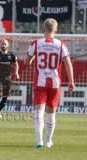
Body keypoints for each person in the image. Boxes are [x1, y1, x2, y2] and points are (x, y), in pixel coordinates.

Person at [25, 18, 75, 148]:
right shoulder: (60, 44)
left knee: (39, 112)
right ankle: (48, 141)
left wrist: (35, 56)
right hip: (55, 83)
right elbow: (68, 63)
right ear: (56, 30)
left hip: (40, 82)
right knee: (51, 113)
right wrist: (71, 81)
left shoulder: (36, 43)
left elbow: (26, 61)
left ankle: (39, 140)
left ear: (43, 29)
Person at [0, 39, 20, 119]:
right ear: (0, 45)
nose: (3, 45)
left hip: (7, 78)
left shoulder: (11, 55)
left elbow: (16, 64)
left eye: (5, 44)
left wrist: (16, 73)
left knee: (5, 96)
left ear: (8, 45)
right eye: (2, 44)